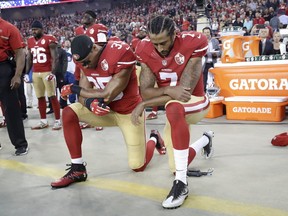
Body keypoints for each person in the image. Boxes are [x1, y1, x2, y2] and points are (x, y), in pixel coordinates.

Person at [50, 35, 166, 188]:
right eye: (81, 63)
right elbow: (82, 96)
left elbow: (108, 93)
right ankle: (77, 168)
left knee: (138, 166)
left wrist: (75, 89)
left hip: (128, 113)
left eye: (86, 61)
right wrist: (90, 104)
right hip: (105, 111)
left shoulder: (120, 52)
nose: (85, 65)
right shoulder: (83, 61)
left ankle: (154, 138)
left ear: (94, 48)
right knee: (69, 113)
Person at [132, 15, 214, 209]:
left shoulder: (193, 42)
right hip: (172, 106)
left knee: (175, 107)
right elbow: (145, 92)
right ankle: (206, 139)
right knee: (174, 165)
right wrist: (168, 89)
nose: (159, 48)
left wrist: (147, 102)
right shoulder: (144, 48)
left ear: (175, 34)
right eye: (155, 43)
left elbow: (183, 94)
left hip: (196, 101)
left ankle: (182, 184)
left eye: (163, 42)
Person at [74, 10, 108, 130]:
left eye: (87, 16)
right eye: (83, 15)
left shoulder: (99, 28)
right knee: (84, 91)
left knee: (97, 90)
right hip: (82, 64)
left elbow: (103, 44)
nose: (84, 17)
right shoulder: (78, 30)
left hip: (95, 63)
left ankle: (99, 120)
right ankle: (89, 119)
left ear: (94, 18)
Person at [0, 16, 29, 155]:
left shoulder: (9, 28)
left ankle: (20, 144)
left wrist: (17, 75)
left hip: (4, 69)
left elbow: (20, 52)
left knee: (11, 109)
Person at [26, 20, 62, 130]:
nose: (33, 31)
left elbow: (55, 58)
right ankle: (43, 121)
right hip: (36, 72)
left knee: (52, 96)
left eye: (35, 29)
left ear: (42, 29)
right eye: (32, 29)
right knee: (40, 97)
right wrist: (26, 73)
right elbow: (29, 58)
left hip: (47, 71)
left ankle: (57, 121)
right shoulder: (30, 41)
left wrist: (52, 73)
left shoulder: (49, 39)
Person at [202, 27, 221, 92]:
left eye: (208, 32)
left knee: (215, 77)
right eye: (205, 32)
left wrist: (216, 54)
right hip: (205, 62)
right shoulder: (201, 42)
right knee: (204, 78)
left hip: (213, 62)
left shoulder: (215, 41)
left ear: (210, 33)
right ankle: (203, 92)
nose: (206, 34)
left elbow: (219, 51)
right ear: (203, 33)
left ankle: (216, 90)